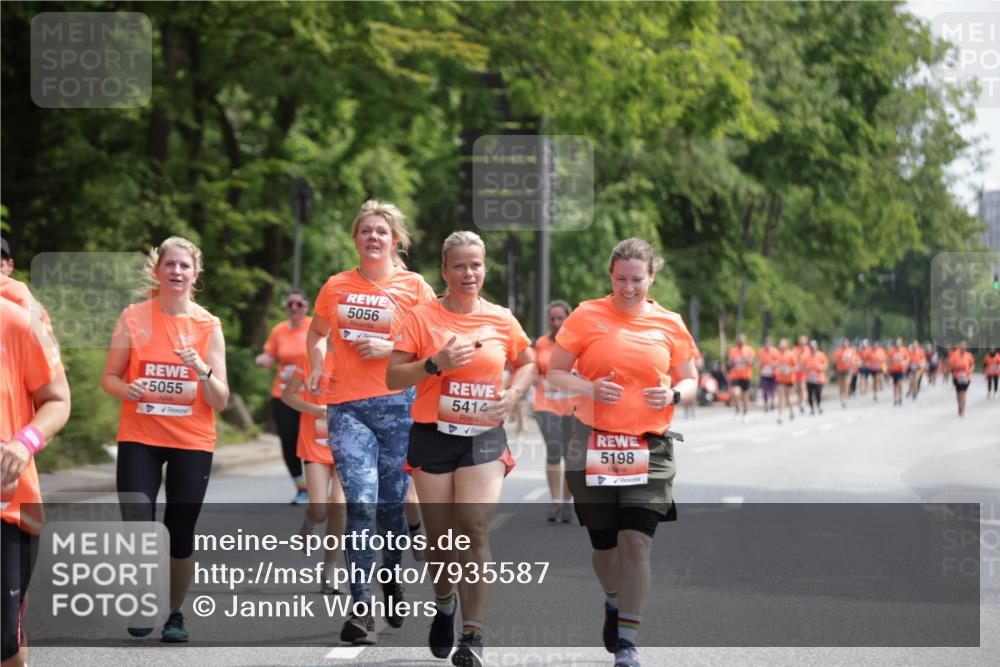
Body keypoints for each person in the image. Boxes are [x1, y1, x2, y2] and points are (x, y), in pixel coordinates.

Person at [386, 230, 535, 666]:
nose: (468, 273)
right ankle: (444, 602)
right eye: (459, 266)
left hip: (483, 435)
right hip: (432, 434)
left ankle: (474, 634)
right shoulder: (421, 317)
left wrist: (514, 394)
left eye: (476, 265)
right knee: (441, 538)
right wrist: (435, 364)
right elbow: (394, 378)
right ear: (444, 270)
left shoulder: (501, 318)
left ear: (484, 268)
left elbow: (526, 362)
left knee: (473, 528)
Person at [546, 238, 697, 667]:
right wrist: (588, 388)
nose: (627, 288)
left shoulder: (670, 323)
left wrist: (672, 394)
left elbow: (690, 378)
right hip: (593, 440)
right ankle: (613, 600)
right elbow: (555, 371)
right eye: (619, 279)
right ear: (609, 275)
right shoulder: (586, 315)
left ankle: (628, 643)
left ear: (652, 277)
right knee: (604, 546)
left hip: (650, 445)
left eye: (636, 279)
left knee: (636, 543)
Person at [306, 200, 436, 644]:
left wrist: (390, 349)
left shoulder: (415, 288)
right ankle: (361, 610)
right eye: (366, 231)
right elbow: (316, 334)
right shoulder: (337, 286)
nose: (373, 237)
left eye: (381, 231)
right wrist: (317, 364)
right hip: (347, 407)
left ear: (394, 239)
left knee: (391, 507)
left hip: (400, 407)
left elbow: (430, 346)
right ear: (356, 239)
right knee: (359, 504)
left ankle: (391, 573)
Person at [101, 236, 229, 643]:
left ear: (196, 274)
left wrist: (204, 370)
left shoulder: (208, 325)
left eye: (184, 266)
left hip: (192, 439)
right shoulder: (134, 317)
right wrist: (129, 390)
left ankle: (175, 613)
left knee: (180, 531)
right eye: (169, 264)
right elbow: (110, 378)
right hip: (141, 435)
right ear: (158, 271)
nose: (176, 271)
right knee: (138, 523)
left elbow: (221, 399)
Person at [2, 299, 71, 667]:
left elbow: (58, 399)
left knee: (4, 644)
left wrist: (24, 442)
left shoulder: (18, 321)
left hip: (8, 504)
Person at [281, 342, 346, 594]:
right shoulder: (307, 358)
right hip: (315, 443)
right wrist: (314, 409)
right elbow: (288, 395)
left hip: (347, 443)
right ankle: (311, 519)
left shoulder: (356, 356)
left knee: (339, 505)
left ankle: (329, 573)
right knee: (320, 509)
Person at [256, 290, 313, 504]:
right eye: (290, 304)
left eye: (299, 304)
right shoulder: (279, 330)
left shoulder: (314, 327)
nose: (295, 308)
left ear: (306, 306)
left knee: (309, 440)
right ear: (285, 307)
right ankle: (302, 488)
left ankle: (317, 484)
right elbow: (271, 356)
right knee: (288, 441)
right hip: (282, 395)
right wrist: (263, 359)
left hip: (310, 396)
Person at [532, 299, 576, 522]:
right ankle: (555, 502)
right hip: (545, 405)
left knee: (571, 456)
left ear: (568, 318)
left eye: (560, 318)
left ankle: (567, 504)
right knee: (554, 450)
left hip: (572, 407)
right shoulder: (541, 343)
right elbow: (534, 370)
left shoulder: (578, 342)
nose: (556, 322)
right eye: (552, 319)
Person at [727, 334, 754, 422]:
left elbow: (752, 362)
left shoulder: (749, 350)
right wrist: (731, 361)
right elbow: (729, 363)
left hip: (746, 376)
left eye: (742, 341)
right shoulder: (733, 350)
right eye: (739, 340)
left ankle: (745, 413)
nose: (740, 342)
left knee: (745, 396)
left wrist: (745, 358)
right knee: (735, 392)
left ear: (744, 341)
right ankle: (737, 410)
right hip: (736, 376)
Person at [947, 342, 974, 417]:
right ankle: (959, 406)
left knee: (963, 393)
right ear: (959, 347)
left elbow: (972, 365)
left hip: (966, 377)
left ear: (966, 348)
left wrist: (970, 370)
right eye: (961, 347)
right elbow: (951, 365)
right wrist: (956, 366)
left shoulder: (969, 355)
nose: (963, 348)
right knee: (958, 393)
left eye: (964, 347)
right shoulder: (954, 355)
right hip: (956, 377)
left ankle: (963, 410)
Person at [775, 338, 796, 424]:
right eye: (781, 344)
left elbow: (795, 366)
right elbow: (775, 364)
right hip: (780, 379)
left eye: (783, 345)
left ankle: (791, 410)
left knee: (787, 398)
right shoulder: (777, 354)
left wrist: (789, 370)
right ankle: (780, 415)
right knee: (781, 397)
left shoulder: (791, 354)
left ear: (787, 346)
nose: (782, 346)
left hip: (789, 379)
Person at [804, 340, 828, 415]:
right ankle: (811, 408)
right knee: (810, 394)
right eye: (811, 347)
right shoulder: (806, 356)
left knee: (818, 393)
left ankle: (818, 405)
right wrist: (806, 369)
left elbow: (826, 363)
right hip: (809, 378)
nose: (812, 349)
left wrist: (822, 367)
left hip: (819, 378)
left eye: (813, 347)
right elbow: (802, 365)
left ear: (816, 347)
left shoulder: (821, 355)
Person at [832, 338, 856, 408]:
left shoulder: (851, 351)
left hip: (848, 369)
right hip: (840, 369)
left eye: (846, 343)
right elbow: (835, 360)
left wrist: (853, 363)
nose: (845, 344)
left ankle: (845, 397)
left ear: (848, 343)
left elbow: (855, 359)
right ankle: (841, 396)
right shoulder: (838, 351)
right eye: (844, 343)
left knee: (847, 383)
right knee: (841, 384)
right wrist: (841, 360)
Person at [887, 338, 910, 407]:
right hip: (893, 370)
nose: (898, 344)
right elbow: (888, 361)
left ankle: (900, 397)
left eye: (899, 343)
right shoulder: (891, 351)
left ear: (901, 343)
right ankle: (895, 399)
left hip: (901, 370)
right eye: (897, 343)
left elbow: (908, 359)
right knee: (894, 385)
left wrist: (905, 362)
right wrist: (888, 370)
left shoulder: (904, 350)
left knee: (899, 384)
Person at [758, 336, 777, 413]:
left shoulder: (775, 351)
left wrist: (773, 364)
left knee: (772, 389)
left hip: (773, 373)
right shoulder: (761, 351)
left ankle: (772, 401)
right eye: (766, 342)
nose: (767, 344)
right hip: (764, 373)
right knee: (765, 390)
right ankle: (765, 404)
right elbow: (759, 361)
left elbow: (779, 361)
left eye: (769, 342)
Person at [793, 335, 811, 413]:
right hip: (797, 372)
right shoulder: (795, 349)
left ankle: (804, 403)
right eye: (801, 341)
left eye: (803, 341)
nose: (802, 343)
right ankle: (800, 402)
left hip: (805, 372)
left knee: (803, 387)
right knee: (798, 388)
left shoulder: (809, 350)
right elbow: (793, 359)